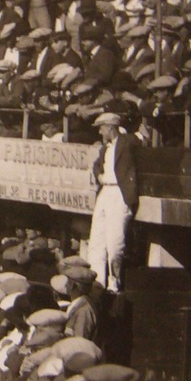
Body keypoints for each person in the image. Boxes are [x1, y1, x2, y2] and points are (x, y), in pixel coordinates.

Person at [85, 111, 138, 291]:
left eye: (102, 128)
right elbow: (96, 165)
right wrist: (98, 174)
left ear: (110, 127)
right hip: (104, 192)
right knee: (96, 241)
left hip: (118, 194)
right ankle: (98, 282)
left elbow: (138, 143)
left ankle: (114, 284)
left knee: (115, 244)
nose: (100, 132)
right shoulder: (105, 147)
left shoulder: (127, 142)